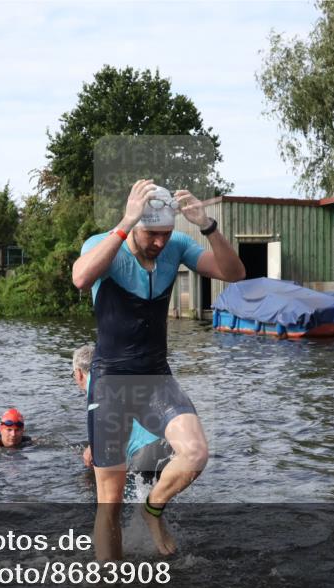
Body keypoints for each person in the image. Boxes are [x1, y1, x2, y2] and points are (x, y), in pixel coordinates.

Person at [71, 180, 245, 559]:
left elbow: (234, 273)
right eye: (152, 234)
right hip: (110, 383)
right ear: (134, 223)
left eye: (166, 234)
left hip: (154, 378)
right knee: (109, 501)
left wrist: (208, 226)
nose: (160, 243)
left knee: (195, 453)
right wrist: (123, 226)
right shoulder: (105, 244)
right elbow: (81, 279)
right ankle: (111, 584)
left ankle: (152, 509)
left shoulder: (177, 247)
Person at [72, 345, 172, 484]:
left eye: (73, 375)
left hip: (144, 452)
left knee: (126, 500)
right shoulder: (118, 376)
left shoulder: (95, 387)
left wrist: (93, 449)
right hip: (167, 443)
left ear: (79, 373)